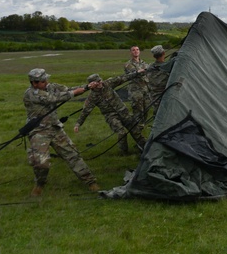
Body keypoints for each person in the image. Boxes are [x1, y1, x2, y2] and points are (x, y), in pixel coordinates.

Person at [23, 68, 98, 196]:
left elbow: (68, 89)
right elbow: (54, 98)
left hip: (55, 128)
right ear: (34, 83)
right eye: (43, 81)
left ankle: (90, 182)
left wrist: (88, 86)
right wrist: (76, 92)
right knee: (41, 163)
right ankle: (40, 184)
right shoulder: (32, 94)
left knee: (72, 155)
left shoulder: (51, 87)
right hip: (39, 132)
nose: (47, 82)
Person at [73, 69, 148, 155]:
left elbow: (123, 78)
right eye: (97, 82)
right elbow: (85, 111)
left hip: (123, 111)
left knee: (135, 130)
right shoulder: (92, 97)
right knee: (121, 133)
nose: (100, 83)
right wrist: (78, 124)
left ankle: (146, 148)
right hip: (111, 116)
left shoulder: (108, 83)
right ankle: (124, 154)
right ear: (92, 85)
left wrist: (137, 73)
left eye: (100, 80)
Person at [124, 46, 151, 140]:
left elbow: (149, 73)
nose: (136, 51)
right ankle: (137, 132)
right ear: (130, 52)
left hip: (145, 89)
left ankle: (143, 127)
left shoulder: (144, 63)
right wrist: (146, 70)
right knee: (138, 111)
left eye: (137, 50)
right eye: (133, 50)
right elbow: (136, 73)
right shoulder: (128, 64)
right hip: (136, 91)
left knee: (146, 109)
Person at [145, 45, 170, 115]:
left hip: (153, 96)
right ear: (164, 53)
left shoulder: (150, 67)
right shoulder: (167, 67)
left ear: (154, 56)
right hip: (164, 95)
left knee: (157, 114)